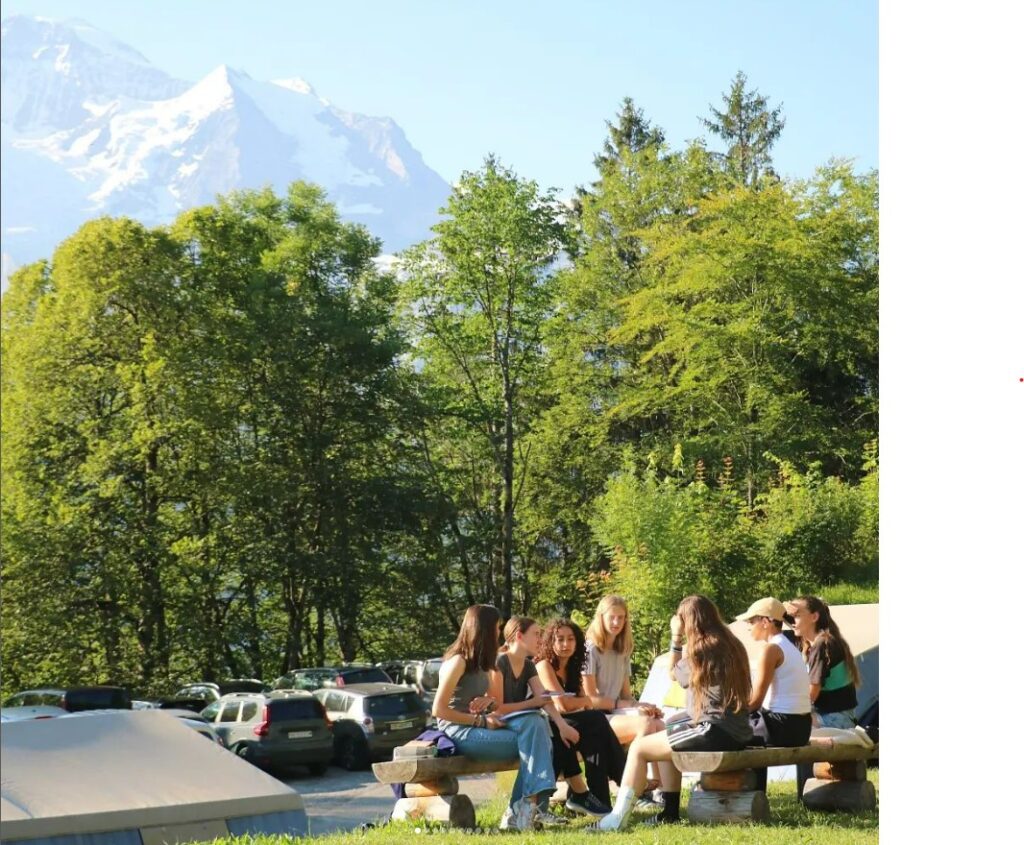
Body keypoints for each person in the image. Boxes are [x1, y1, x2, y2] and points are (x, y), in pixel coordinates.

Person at [593, 595, 753, 831]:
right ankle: (669, 812)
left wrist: (676, 638)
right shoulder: (732, 643)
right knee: (667, 732)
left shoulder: (703, 648)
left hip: (715, 728)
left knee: (640, 748)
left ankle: (616, 819)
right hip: (737, 728)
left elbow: (673, 673)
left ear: (688, 621)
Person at [432, 604, 556, 832]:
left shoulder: (481, 663)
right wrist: (480, 721)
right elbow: (439, 710)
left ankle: (522, 810)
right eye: (497, 628)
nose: (499, 633)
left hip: (479, 726)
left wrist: (487, 704)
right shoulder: (458, 661)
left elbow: (486, 701)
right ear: (483, 629)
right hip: (459, 732)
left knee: (535, 723)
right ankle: (524, 808)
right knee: (539, 742)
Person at [489, 616, 581, 827]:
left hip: (523, 726)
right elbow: (498, 709)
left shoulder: (529, 666)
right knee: (539, 732)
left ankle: (520, 812)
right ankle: (530, 809)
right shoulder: (500, 663)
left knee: (546, 736)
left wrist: (563, 725)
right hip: (500, 728)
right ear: (519, 636)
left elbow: (545, 699)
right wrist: (532, 704)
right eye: (536, 635)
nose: (541, 639)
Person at [582, 594, 666, 808]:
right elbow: (590, 699)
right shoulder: (590, 650)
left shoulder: (623, 650)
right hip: (596, 718)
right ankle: (636, 791)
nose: (617, 623)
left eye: (622, 618)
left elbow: (627, 695)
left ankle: (660, 789)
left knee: (656, 722)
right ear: (601, 617)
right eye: (612, 617)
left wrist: (643, 706)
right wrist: (627, 706)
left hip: (616, 713)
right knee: (646, 725)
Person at [535, 618, 623, 814]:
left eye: (570, 639)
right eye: (559, 639)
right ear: (551, 642)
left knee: (595, 737)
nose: (565, 644)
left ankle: (602, 804)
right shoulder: (544, 666)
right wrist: (584, 703)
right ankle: (622, 778)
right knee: (596, 721)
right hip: (547, 723)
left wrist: (584, 703)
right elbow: (562, 705)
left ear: (578, 642)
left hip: (569, 725)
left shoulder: (573, 667)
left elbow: (585, 704)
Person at [737, 596, 812, 791]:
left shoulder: (771, 650)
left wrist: (728, 711)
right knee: (749, 725)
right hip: (802, 728)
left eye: (751, 621)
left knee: (730, 729)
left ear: (765, 621)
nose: (748, 627)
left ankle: (752, 793)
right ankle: (756, 793)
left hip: (783, 727)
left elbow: (754, 702)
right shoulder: (791, 647)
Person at [784, 595, 861, 728]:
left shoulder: (822, 644)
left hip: (836, 718)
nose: (792, 622)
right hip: (832, 714)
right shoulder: (818, 641)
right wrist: (783, 607)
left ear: (814, 617)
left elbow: (812, 694)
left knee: (786, 726)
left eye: (796, 616)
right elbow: (776, 620)